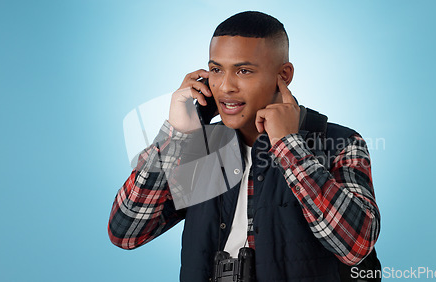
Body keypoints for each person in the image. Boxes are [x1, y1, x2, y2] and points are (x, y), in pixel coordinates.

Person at [108, 11, 380, 282]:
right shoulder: (199, 148)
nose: (225, 87)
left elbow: (356, 246)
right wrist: (177, 135)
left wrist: (289, 147)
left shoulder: (340, 143)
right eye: (216, 70)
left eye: (243, 71)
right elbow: (127, 232)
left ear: (283, 75)